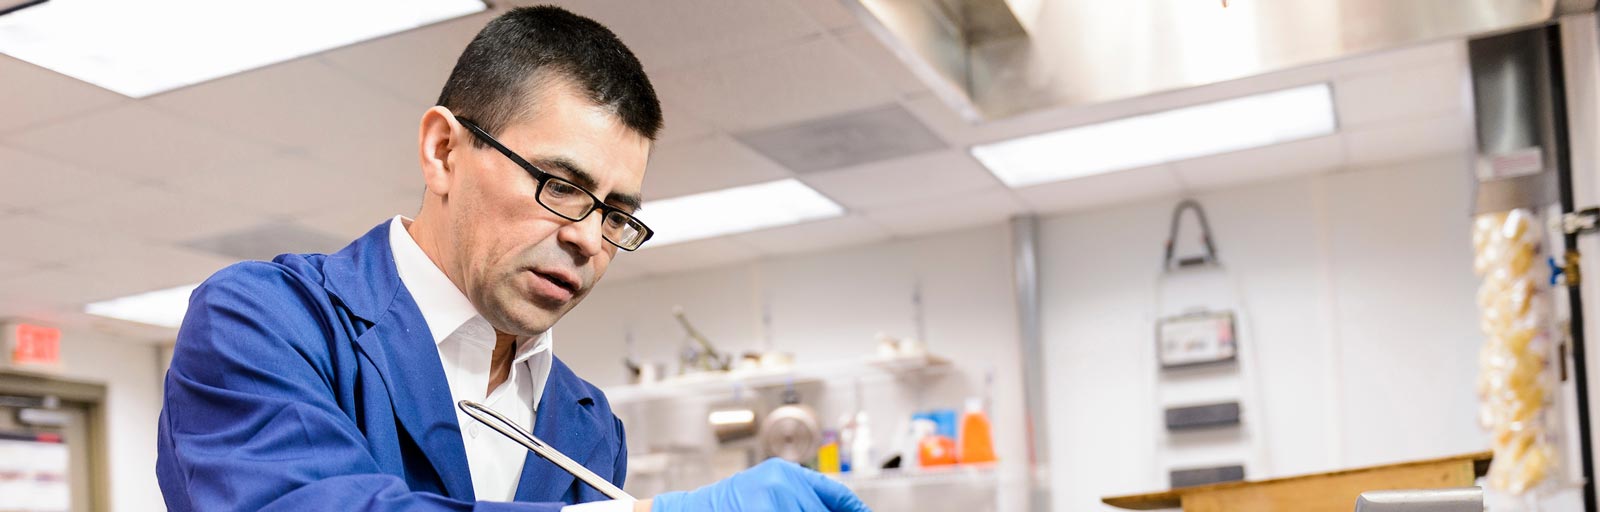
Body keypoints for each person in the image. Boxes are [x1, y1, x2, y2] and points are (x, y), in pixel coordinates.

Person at [155, 6, 870, 512]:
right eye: (562, 186)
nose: (590, 240)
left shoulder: (585, 421)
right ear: (443, 151)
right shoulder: (267, 323)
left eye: (617, 214)